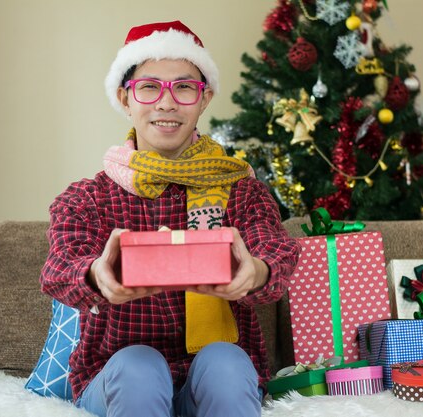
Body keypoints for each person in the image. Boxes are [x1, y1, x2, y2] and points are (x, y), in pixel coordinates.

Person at [40, 20, 300, 417]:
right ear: (125, 100)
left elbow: (275, 252)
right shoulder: (88, 198)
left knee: (226, 362)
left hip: (217, 378)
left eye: (183, 87)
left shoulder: (241, 190)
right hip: (118, 374)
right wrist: (96, 274)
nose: (166, 103)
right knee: (139, 364)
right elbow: (59, 269)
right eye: (148, 88)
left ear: (204, 98)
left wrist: (257, 272)